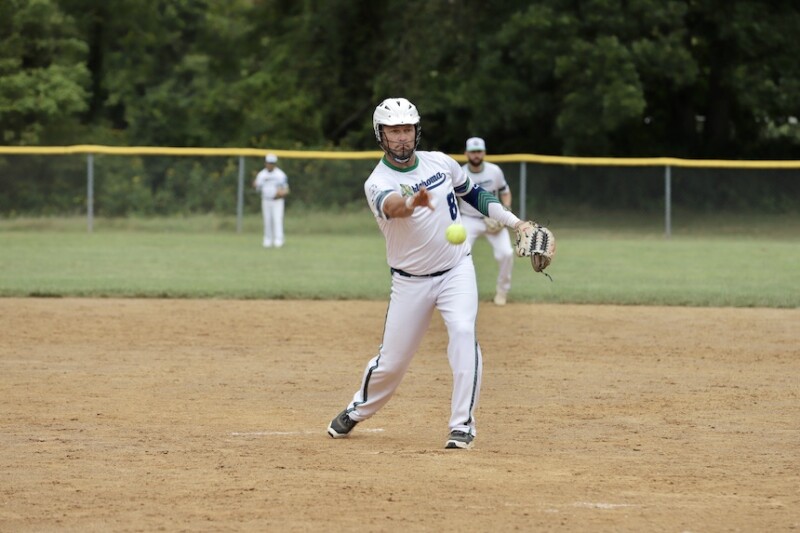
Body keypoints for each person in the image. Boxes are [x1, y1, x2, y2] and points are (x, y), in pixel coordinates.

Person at [326, 97, 527, 450]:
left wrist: (516, 223)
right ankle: (358, 409)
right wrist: (410, 203)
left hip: (456, 270)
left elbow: (474, 194)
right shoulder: (377, 181)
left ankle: (461, 425)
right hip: (410, 283)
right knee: (391, 364)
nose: (401, 137)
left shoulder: (440, 163)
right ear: (380, 135)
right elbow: (393, 207)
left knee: (464, 333)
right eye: (393, 131)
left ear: (416, 132)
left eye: (407, 129)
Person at [459, 137, 514, 306]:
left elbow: (505, 191)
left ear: (484, 152)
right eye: (473, 151)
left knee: (506, 253)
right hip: (468, 219)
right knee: (459, 255)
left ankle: (502, 291)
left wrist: (506, 208)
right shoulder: (460, 173)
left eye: (479, 151)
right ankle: (460, 294)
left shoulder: (494, 171)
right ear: (466, 153)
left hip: (493, 218)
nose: (476, 155)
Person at [252, 153, 289, 248]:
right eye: (268, 163)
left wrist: (281, 193)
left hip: (277, 201)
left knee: (277, 219)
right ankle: (267, 240)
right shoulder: (261, 174)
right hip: (266, 200)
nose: (270, 165)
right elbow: (257, 187)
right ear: (265, 163)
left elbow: (286, 189)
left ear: (275, 164)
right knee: (267, 220)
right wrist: (255, 184)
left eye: (272, 163)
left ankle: (278, 240)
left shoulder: (280, 174)